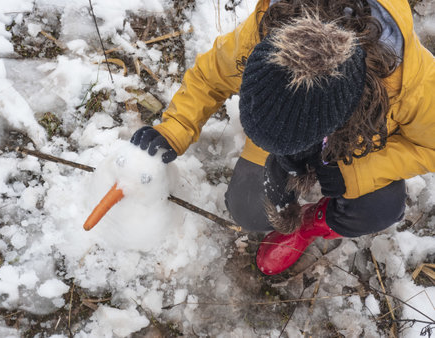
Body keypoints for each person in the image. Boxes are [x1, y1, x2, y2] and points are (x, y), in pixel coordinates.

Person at [131, 0, 435, 275]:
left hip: (359, 147)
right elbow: (211, 75)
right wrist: (174, 128)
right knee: (250, 208)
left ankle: (310, 225)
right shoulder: (267, 33)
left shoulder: (414, 87)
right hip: (285, 127)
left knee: (377, 209)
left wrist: (361, 172)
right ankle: (283, 185)